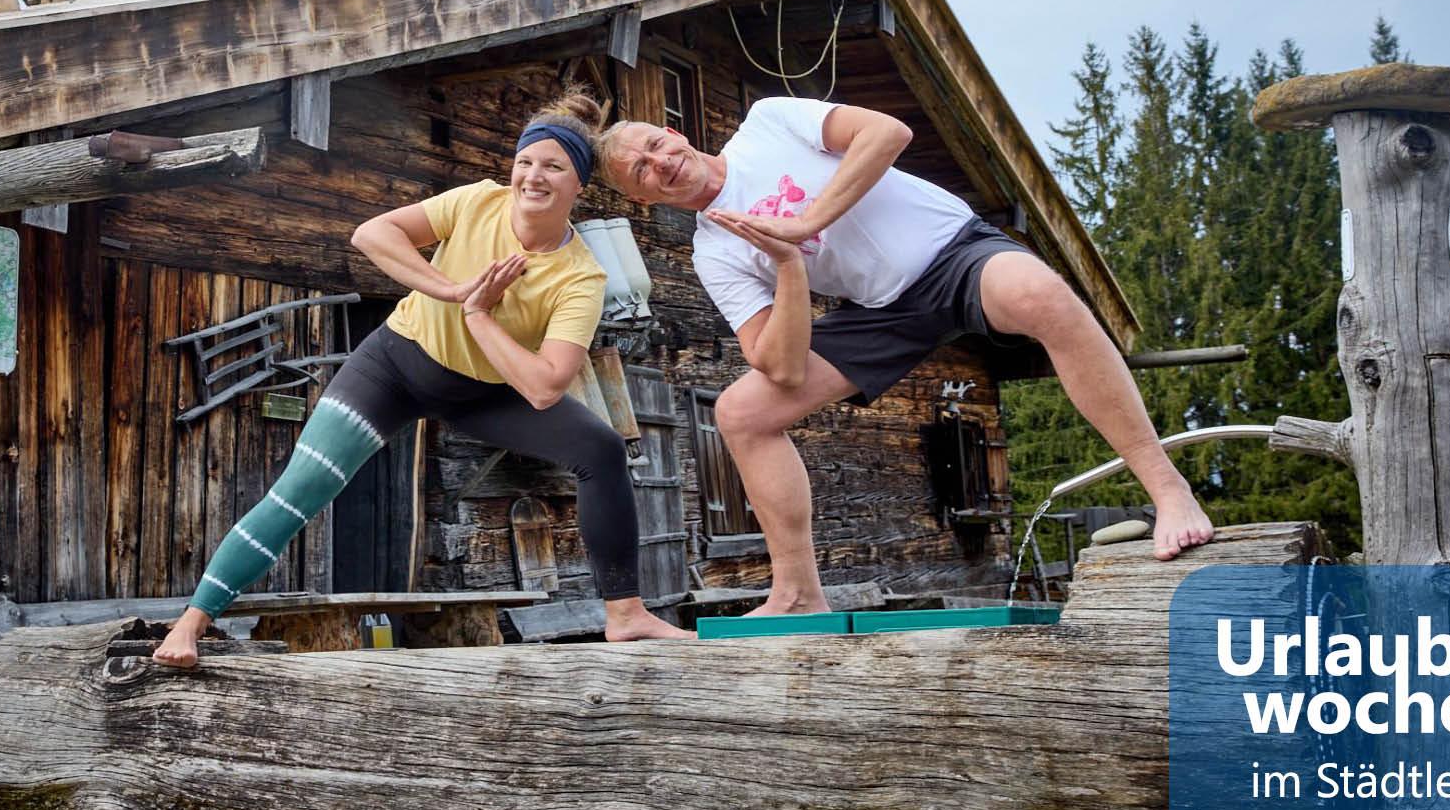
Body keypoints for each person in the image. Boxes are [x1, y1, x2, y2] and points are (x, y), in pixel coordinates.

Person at [595, 97, 1213, 616]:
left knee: (1043, 296)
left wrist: (807, 221)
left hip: (951, 254)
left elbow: (887, 132)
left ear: (674, 132)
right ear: (642, 199)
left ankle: (1168, 491)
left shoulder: (768, 122)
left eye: (654, 144)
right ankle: (798, 592)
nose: (658, 163)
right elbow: (776, 365)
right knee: (741, 413)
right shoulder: (714, 251)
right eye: (640, 172)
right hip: (880, 311)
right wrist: (787, 264)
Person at [155, 89, 690, 665]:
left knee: (601, 449)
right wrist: (451, 290)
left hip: (485, 393)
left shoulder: (579, 275)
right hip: (395, 365)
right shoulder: (477, 203)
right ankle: (190, 624)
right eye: (525, 163)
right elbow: (372, 234)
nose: (533, 177)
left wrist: (479, 315)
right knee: (303, 487)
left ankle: (626, 614)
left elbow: (544, 385)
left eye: (553, 167)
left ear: (578, 184)